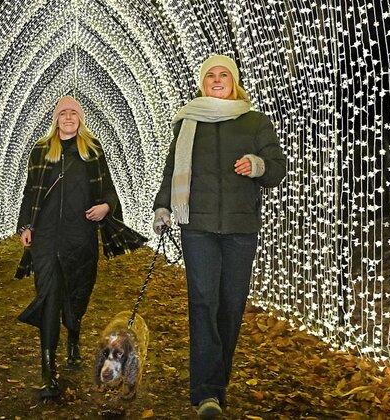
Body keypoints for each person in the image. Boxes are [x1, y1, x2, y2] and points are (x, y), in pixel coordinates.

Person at [153, 55, 287, 418]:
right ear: (202, 81)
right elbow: (171, 171)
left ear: (234, 80)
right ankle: (207, 391)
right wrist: (163, 207)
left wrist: (256, 165)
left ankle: (216, 379)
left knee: (230, 305)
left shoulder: (254, 121)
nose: (216, 79)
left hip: (241, 228)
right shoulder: (187, 122)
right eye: (210, 75)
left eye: (222, 74)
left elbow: (277, 169)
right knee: (202, 302)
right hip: (197, 226)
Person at [15, 96, 147, 399]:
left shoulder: (92, 151)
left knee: (76, 294)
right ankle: (48, 371)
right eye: (63, 112)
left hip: (80, 236)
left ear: (81, 118)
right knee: (49, 296)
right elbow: (29, 192)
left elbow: (109, 191)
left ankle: (73, 335)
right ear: (56, 118)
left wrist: (105, 207)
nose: (68, 117)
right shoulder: (41, 151)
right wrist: (26, 226)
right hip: (46, 238)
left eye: (74, 112)